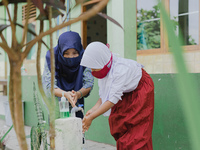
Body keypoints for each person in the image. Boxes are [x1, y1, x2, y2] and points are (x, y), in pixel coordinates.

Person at [81, 42, 154, 150]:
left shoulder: (120, 71)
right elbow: (105, 96)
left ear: (102, 63)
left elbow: (111, 100)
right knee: (119, 125)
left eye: (94, 69)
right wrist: (93, 110)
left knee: (137, 131)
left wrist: (92, 117)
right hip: (125, 92)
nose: (92, 72)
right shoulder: (105, 70)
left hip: (140, 90)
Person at [42, 31, 94, 119]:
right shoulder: (52, 58)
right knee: (58, 129)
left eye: (75, 53)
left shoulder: (85, 57)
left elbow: (89, 83)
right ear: (61, 51)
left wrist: (78, 94)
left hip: (76, 101)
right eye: (66, 53)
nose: (71, 57)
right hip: (56, 103)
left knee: (77, 127)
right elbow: (48, 86)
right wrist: (65, 94)